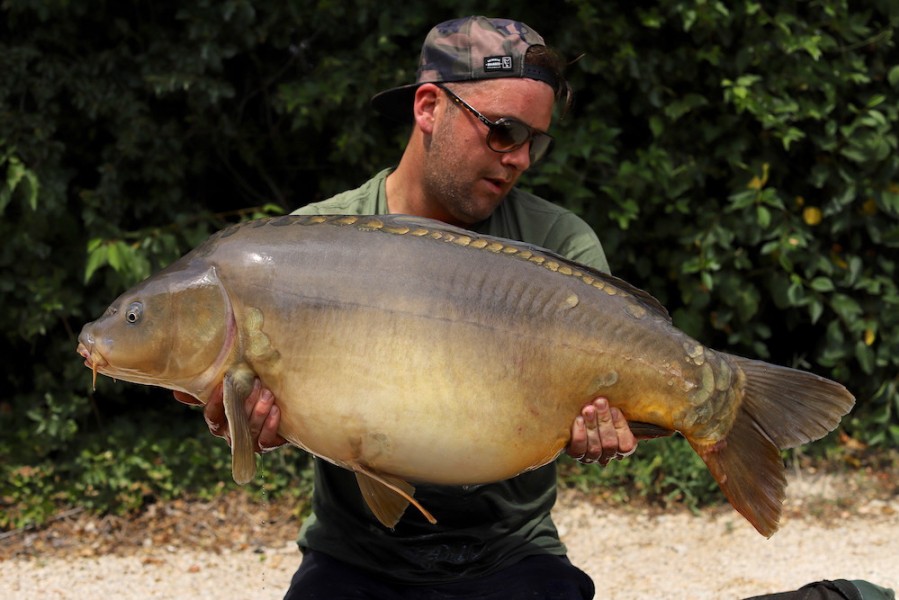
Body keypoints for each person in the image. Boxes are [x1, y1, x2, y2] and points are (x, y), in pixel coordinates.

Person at [175, 16, 895, 600]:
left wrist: (616, 425)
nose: (518, 158)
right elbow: (260, 404)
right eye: (501, 132)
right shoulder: (310, 242)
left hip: (511, 556)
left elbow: (602, 412)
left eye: (533, 142)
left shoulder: (559, 241)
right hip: (353, 557)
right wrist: (249, 421)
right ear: (428, 107)